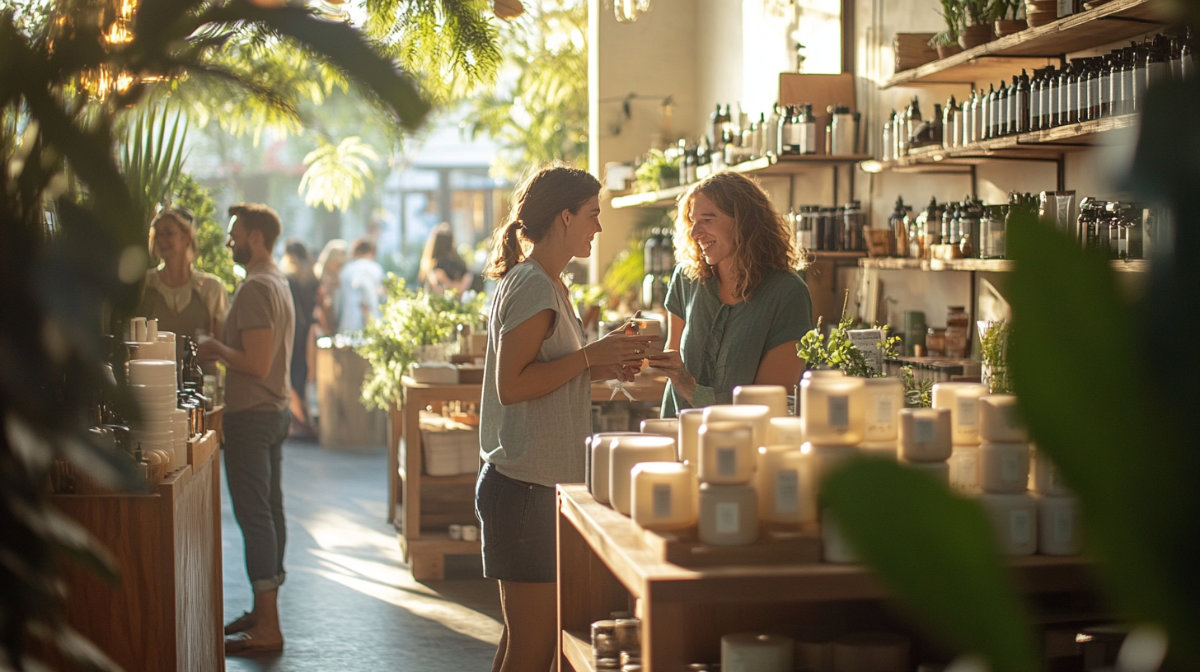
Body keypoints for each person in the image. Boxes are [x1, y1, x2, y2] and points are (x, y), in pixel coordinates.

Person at [475, 164, 654, 672]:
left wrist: (600, 361)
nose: (599, 227)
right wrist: (591, 356)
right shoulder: (534, 285)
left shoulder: (546, 282)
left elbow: (547, 377)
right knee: (535, 649)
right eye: (593, 215)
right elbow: (514, 386)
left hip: (529, 487)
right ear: (564, 216)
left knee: (523, 644)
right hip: (526, 491)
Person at [197, 203, 295, 657]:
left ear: (256, 237)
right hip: (272, 413)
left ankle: (268, 625)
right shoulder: (277, 282)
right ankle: (262, 613)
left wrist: (215, 347)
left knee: (255, 516)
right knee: (269, 512)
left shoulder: (256, 288)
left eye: (235, 233)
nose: (230, 241)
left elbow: (255, 363)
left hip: (252, 415)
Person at [648, 171, 814, 416]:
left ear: (745, 222)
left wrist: (692, 390)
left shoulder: (787, 293)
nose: (695, 233)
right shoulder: (687, 279)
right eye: (693, 221)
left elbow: (768, 403)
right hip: (678, 434)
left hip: (744, 444)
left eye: (708, 219)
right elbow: (674, 364)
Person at [138, 206, 228, 352]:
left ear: (186, 237)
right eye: (159, 234)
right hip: (154, 373)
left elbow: (221, 346)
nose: (162, 239)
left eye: (168, 233)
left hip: (198, 373)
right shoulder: (145, 283)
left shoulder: (211, 288)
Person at [280, 238, 319, 440]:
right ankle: (305, 421)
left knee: (294, 375)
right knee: (302, 375)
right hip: (307, 331)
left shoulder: (289, 278)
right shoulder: (312, 277)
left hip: (294, 331)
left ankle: (302, 422)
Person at [336, 236, 384, 334]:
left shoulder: (346, 269)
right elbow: (366, 292)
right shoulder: (373, 268)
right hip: (365, 322)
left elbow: (339, 299)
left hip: (347, 322)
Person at [418, 222, 474, 297]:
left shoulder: (431, 265)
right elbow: (465, 282)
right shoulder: (459, 263)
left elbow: (438, 290)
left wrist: (445, 280)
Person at [313, 239, 349, 338]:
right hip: (322, 321)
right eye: (338, 264)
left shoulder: (339, 276)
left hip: (336, 319)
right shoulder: (319, 275)